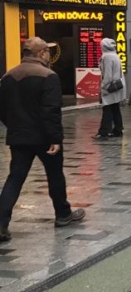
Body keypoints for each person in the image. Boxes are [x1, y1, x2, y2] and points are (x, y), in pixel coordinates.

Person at [0, 37, 85, 241]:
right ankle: (62, 214)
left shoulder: (9, 76)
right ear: (41, 54)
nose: (48, 55)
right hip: (44, 137)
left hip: (19, 136)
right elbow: (51, 111)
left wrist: (14, 126)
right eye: (47, 52)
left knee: (15, 178)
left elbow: (2, 109)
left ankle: (1, 223)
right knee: (55, 175)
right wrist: (55, 138)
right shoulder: (48, 76)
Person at [94, 38, 126, 139]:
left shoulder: (106, 57)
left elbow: (107, 75)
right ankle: (118, 129)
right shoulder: (115, 55)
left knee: (107, 108)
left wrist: (103, 87)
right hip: (117, 85)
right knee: (115, 108)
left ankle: (104, 132)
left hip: (110, 87)